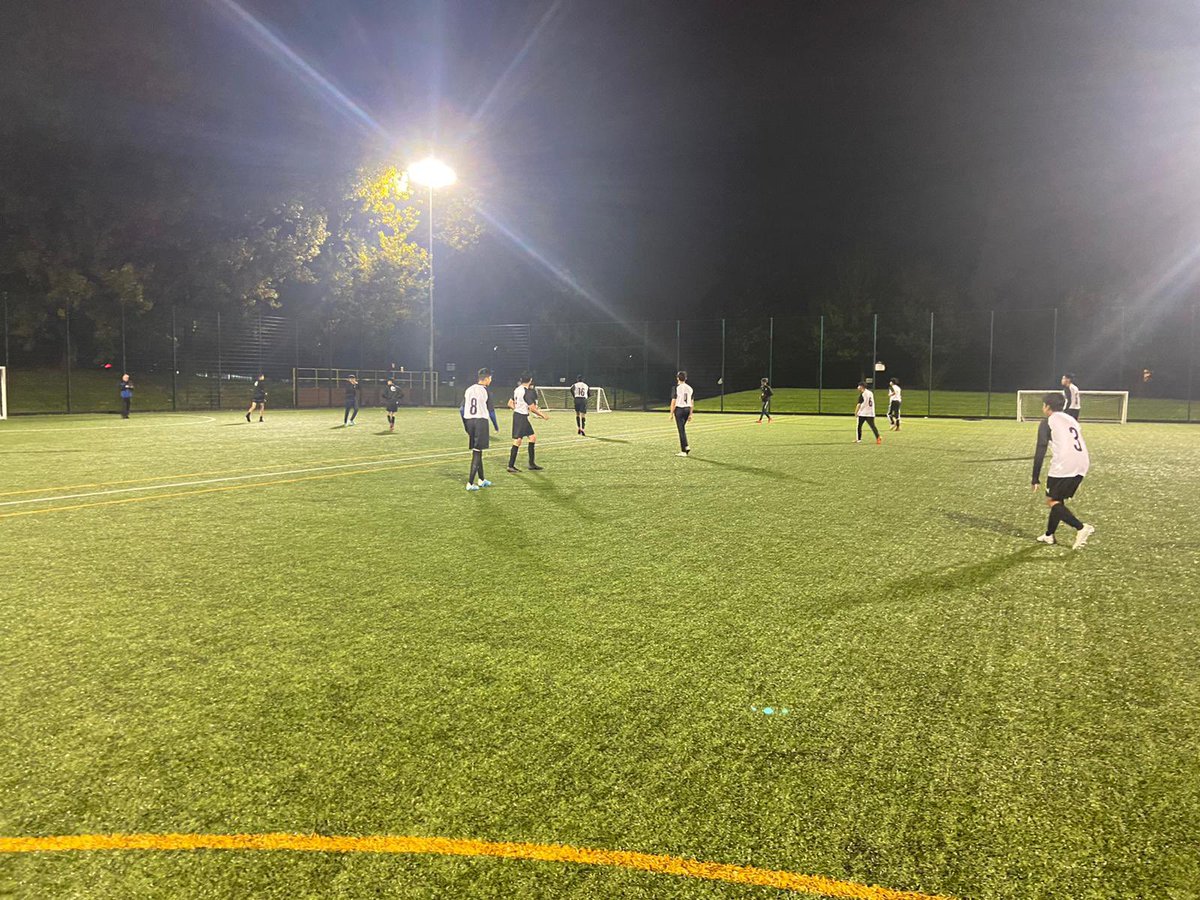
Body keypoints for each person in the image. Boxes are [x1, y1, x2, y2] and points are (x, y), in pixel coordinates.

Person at [1031, 392, 1094, 548]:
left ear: (1047, 406)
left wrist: (1035, 477)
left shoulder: (1047, 422)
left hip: (1064, 464)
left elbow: (1040, 449)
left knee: (1051, 501)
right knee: (1058, 500)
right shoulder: (1071, 419)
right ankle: (1049, 535)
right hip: (1082, 462)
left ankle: (1081, 527)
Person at [463, 368, 497, 491]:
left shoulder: (469, 389)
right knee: (477, 452)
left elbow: (461, 409)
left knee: (478, 450)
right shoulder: (485, 390)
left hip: (469, 420)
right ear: (486, 378)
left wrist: (466, 425)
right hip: (480, 421)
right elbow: (491, 411)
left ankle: (481, 480)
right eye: (490, 378)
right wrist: (496, 425)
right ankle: (470, 483)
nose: (491, 381)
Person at [507, 373, 549, 472]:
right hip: (521, 417)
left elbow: (509, 403)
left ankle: (531, 464)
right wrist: (543, 415)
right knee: (518, 440)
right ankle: (510, 466)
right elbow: (532, 408)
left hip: (519, 416)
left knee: (532, 437)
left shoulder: (517, 389)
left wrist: (516, 409)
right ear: (530, 380)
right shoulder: (526, 392)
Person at [669, 370, 693, 457]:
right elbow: (692, 402)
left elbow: (673, 401)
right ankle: (686, 446)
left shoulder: (676, 388)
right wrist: (690, 414)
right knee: (682, 429)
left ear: (677, 378)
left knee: (681, 430)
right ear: (685, 378)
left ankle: (684, 449)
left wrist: (671, 413)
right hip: (687, 409)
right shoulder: (690, 388)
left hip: (679, 409)